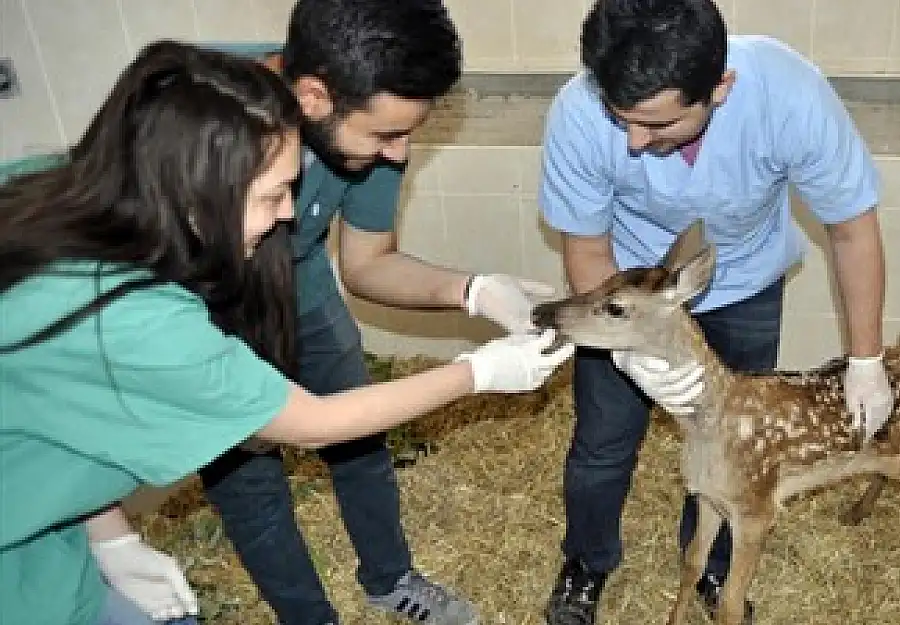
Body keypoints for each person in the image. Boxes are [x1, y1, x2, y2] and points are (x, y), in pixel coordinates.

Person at [0, 39, 572, 625]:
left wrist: (107, 534)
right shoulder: (141, 320)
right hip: (24, 581)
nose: (290, 217)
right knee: (251, 486)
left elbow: (53, 421)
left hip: (45, 542)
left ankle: (387, 579)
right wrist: (480, 372)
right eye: (273, 195)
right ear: (195, 195)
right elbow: (312, 424)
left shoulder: (55, 193)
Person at [535, 0, 895, 623]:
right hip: (625, 293)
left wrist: (866, 360)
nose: (634, 141)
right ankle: (586, 564)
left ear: (719, 88)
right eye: (621, 119)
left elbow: (852, 229)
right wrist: (626, 350)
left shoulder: (789, 94)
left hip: (745, 282)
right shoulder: (577, 113)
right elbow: (587, 247)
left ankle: (712, 569)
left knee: (734, 445)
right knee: (602, 439)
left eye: (657, 124)